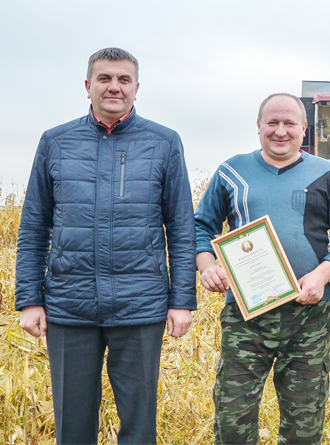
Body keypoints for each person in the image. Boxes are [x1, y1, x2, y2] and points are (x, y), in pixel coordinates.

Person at [14, 47, 196, 444]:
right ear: (88, 86)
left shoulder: (164, 142)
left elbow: (181, 228)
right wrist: (30, 299)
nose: (114, 87)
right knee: (73, 426)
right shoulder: (55, 142)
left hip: (140, 305)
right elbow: (33, 227)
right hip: (69, 305)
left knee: (139, 423)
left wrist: (181, 300)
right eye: (105, 79)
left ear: (136, 88)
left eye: (124, 79)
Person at [194, 93, 330, 445]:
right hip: (245, 317)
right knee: (232, 420)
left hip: (308, 318)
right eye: (272, 123)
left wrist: (322, 274)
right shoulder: (232, 171)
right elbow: (199, 227)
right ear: (258, 127)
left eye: (290, 124)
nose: (280, 131)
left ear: (304, 128)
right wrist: (206, 264)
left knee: (303, 425)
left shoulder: (328, 174)